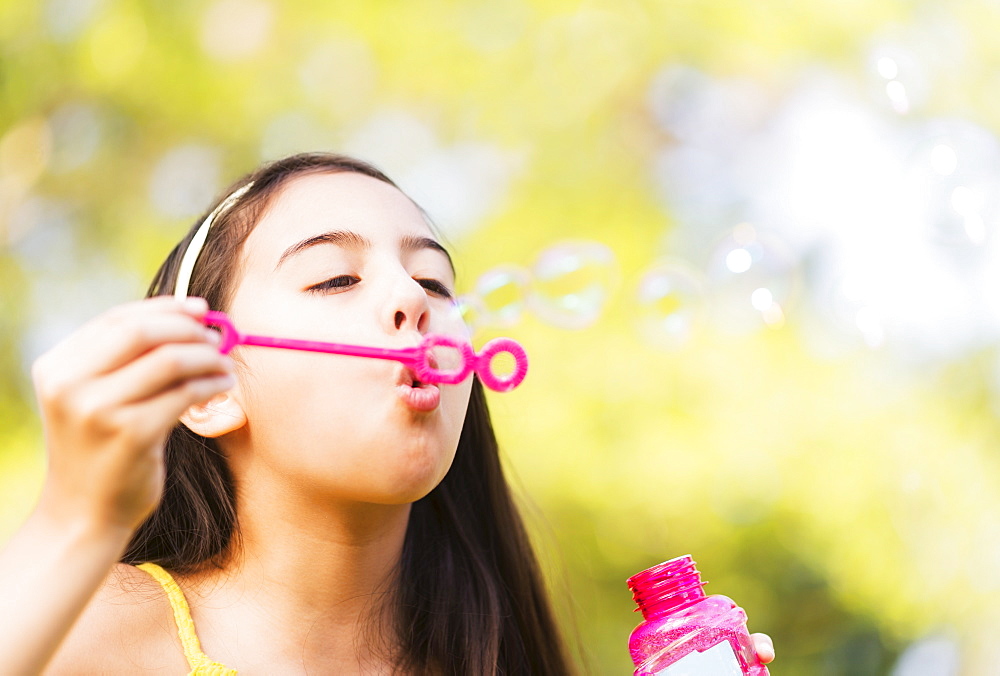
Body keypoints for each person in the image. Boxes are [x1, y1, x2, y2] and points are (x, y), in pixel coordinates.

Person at [0, 152, 775, 674]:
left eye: (436, 284)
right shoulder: (93, 629)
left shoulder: (491, 656)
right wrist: (75, 519)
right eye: (336, 278)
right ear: (209, 387)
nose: (411, 299)